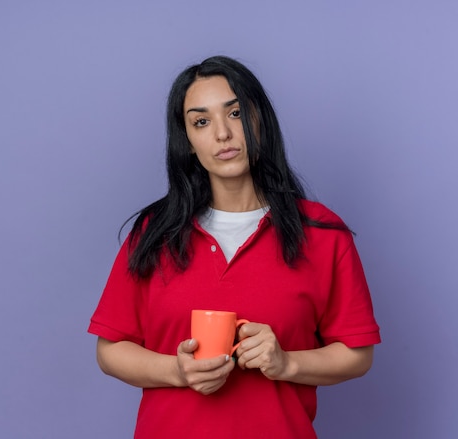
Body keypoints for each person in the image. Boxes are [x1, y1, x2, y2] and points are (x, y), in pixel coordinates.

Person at [88, 55, 381, 438]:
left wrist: (285, 363)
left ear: (260, 120)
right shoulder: (153, 232)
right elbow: (110, 350)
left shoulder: (322, 232)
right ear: (188, 141)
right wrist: (177, 372)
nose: (222, 134)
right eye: (201, 121)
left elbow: (357, 354)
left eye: (236, 113)